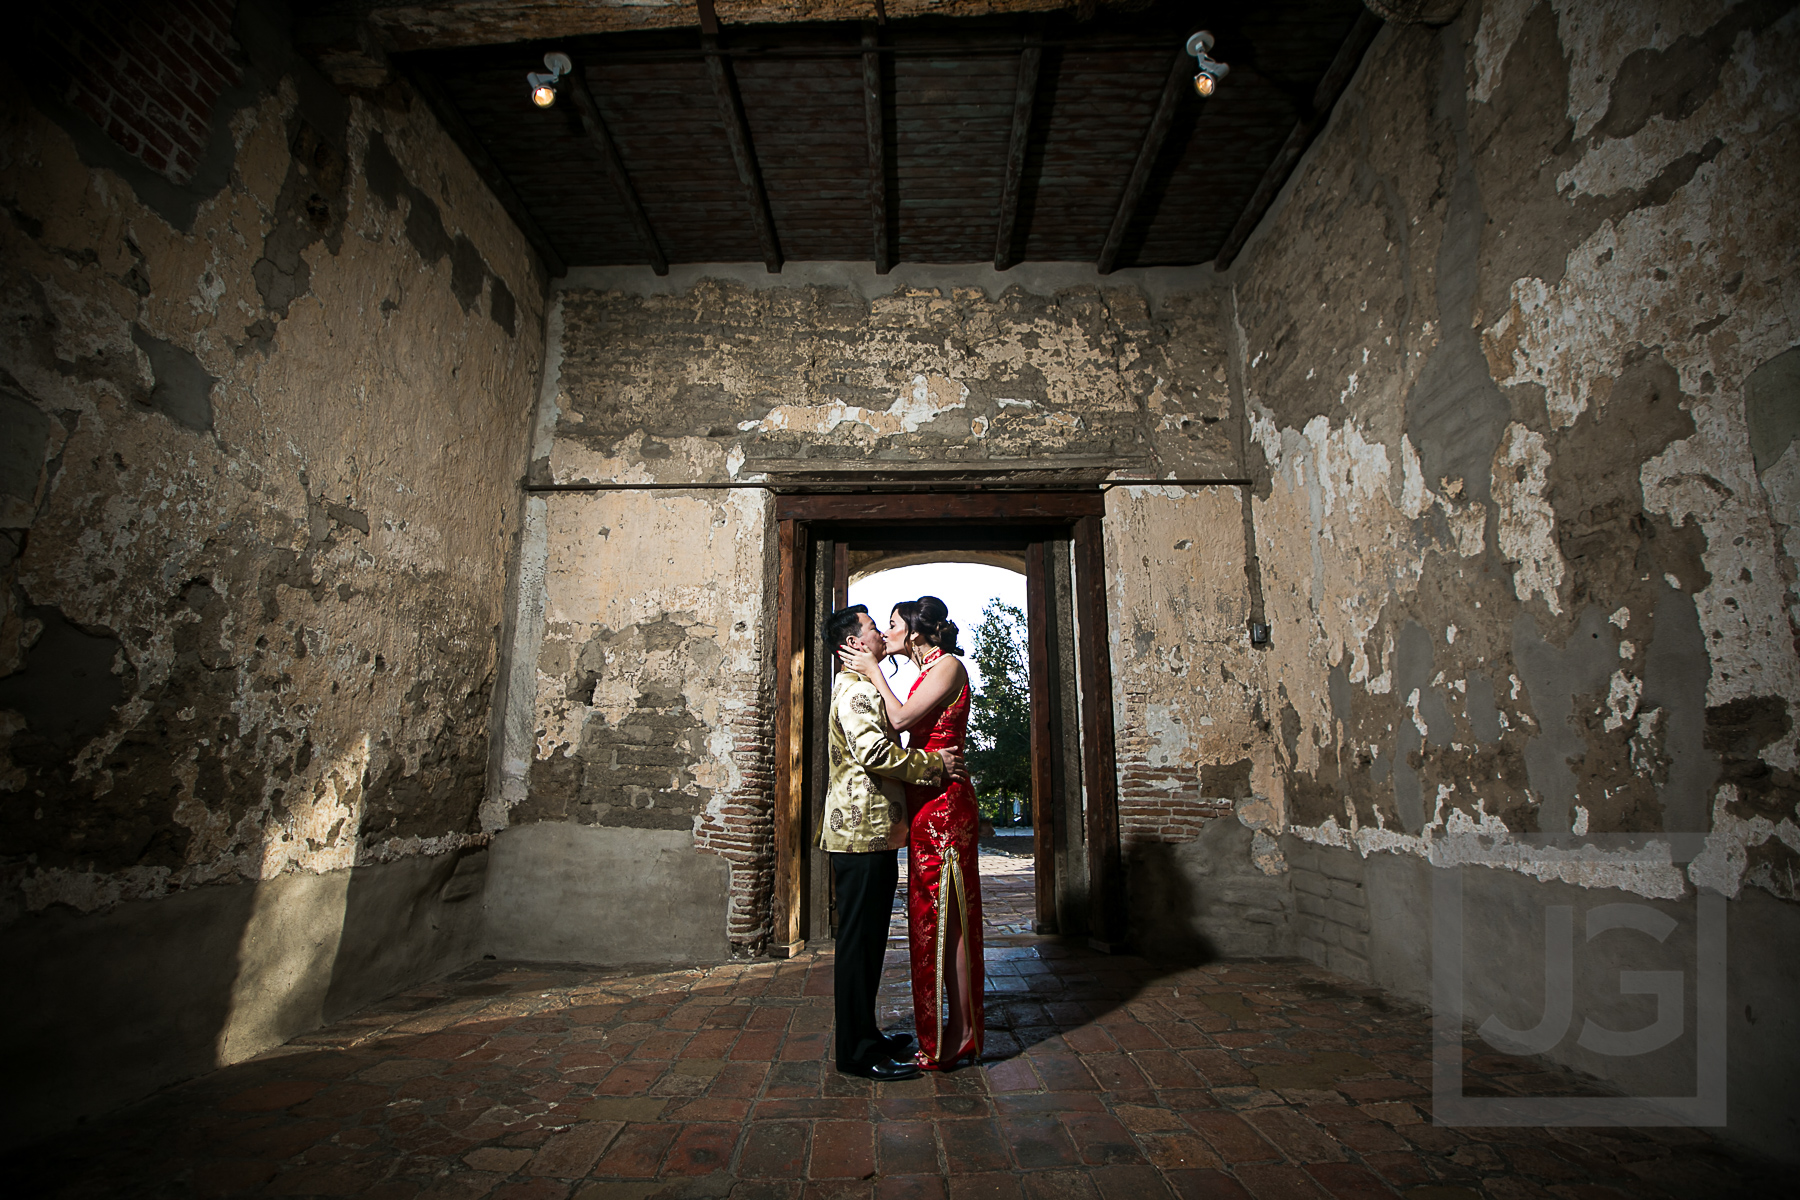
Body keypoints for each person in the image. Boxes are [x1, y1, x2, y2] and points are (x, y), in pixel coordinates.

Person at [839, 595, 984, 1070]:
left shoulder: (948, 667)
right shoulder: (915, 675)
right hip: (921, 802)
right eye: (878, 626)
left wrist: (874, 671)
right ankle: (932, 1032)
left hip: (944, 805)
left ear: (917, 632)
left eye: (893, 624)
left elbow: (899, 721)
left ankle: (961, 1032)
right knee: (927, 920)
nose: (886, 633)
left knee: (951, 919)